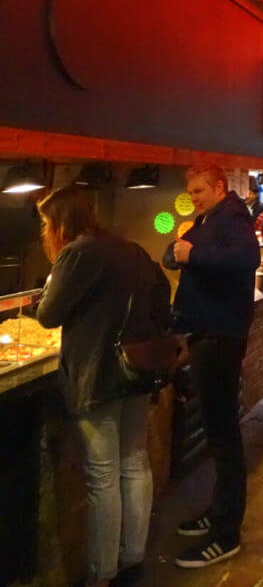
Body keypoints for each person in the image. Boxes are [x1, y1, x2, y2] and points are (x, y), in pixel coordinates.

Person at [36, 185, 162, 587]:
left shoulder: (77, 254)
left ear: (59, 221)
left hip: (97, 374)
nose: (45, 230)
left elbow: (48, 314)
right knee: (135, 463)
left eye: (45, 222)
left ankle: (101, 572)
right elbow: (161, 298)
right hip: (136, 369)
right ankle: (134, 556)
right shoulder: (131, 248)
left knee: (102, 475)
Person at [162, 164, 260, 568]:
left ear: (220, 187)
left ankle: (225, 533)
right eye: (191, 191)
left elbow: (245, 259)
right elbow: (172, 255)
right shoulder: (207, 219)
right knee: (218, 433)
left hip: (219, 336)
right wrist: (183, 250)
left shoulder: (233, 216)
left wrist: (193, 252)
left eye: (200, 190)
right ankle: (218, 513)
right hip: (208, 332)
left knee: (223, 435)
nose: (194, 197)